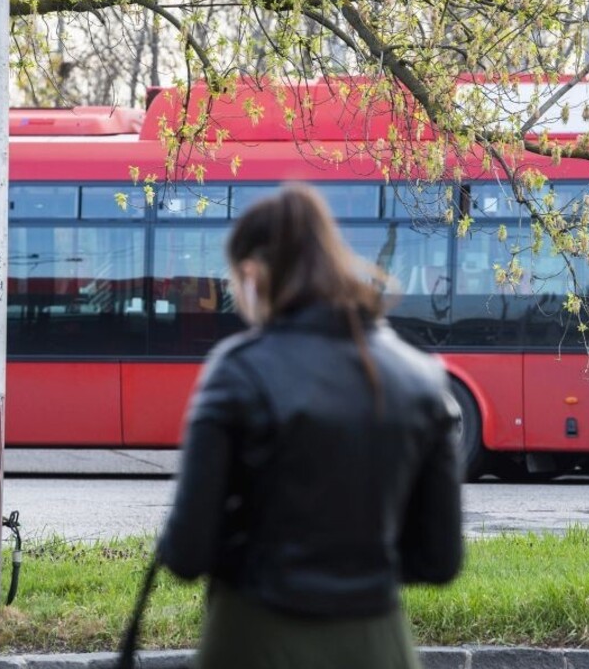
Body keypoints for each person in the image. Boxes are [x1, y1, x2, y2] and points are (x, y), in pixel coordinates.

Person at [156, 183, 464, 669]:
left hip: (254, 637)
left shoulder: (237, 371)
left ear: (253, 274)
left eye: (233, 282)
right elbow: (440, 561)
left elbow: (186, 553)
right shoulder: (422, 379)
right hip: (377, 643)